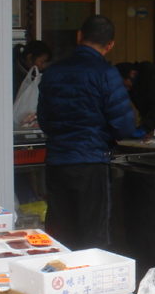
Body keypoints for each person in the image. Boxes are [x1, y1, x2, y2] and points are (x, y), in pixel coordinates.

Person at [36, 15, 144, 250]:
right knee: (92, 234)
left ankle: (59, 279)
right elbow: (124, 126)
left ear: (79, 37)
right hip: (90, 163)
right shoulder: (106, 73)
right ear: (110, 45)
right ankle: (89, 281)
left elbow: (44, 119)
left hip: (57, 162)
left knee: (60, 232)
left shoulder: (53, 72)